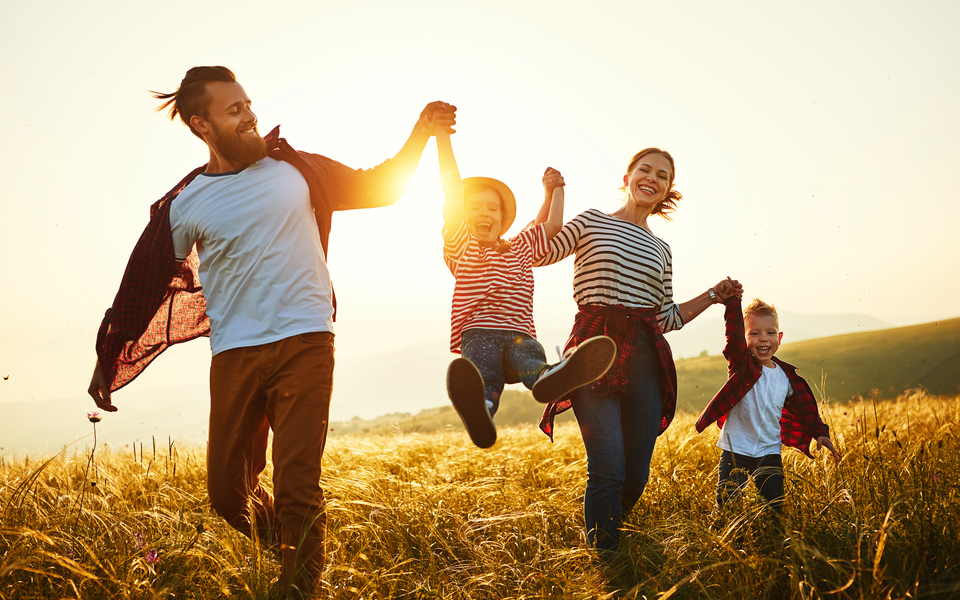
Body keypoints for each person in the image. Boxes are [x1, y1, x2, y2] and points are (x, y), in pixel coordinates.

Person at [85, 66, 455, 598]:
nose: (250, 115)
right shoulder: (186, 202)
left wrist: (420, 129)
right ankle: (294, 550)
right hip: (234, 352)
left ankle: (300, 584)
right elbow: (144, 284)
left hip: (305, 341)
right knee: (227, 494)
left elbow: (382, 186)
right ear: (201, 124)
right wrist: (108, 355)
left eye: (249, 104)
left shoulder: (296, 169)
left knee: (297, 484)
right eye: (233, 109)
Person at [534, 148, 742, 552]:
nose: (652, 178)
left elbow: (666, 317)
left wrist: (714, 295)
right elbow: (541, 252)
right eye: (645, 170)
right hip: (594, 351)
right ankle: (606, 559)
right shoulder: (592, 221)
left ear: (667, 189)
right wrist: (551, 195)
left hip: (646, 356)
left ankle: (608, 530)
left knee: (635, 474)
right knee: (607, 467)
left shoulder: (661, 249)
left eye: (662, 176)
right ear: (628, 176)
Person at [435, 126, 616, 449]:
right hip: (479, 333)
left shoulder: (521, 246)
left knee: (532, 362)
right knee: (484, 377)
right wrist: (442, 139)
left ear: (503, 219)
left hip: (520, 334)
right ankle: (483, 413)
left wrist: (556, 189)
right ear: (461, 216)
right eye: (474, 208)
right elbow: (451, 190)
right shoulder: (462, 246)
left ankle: (551, 378)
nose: (484, 213)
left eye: (492, 209)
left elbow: (552, 225)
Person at [695, 296, 840, 516]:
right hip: (736, 450)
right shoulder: (741, 366)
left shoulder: (785, 377)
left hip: (769, 451)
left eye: (770, 332)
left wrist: (819, 432)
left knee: (774, 509)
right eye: (754, 333)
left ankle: (775, 545)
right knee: (727, 506)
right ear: (743, 340)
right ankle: (717, 539)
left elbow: (806, 410)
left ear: (779, 338)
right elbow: (732, 334)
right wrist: (733, 301)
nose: (764, 338)